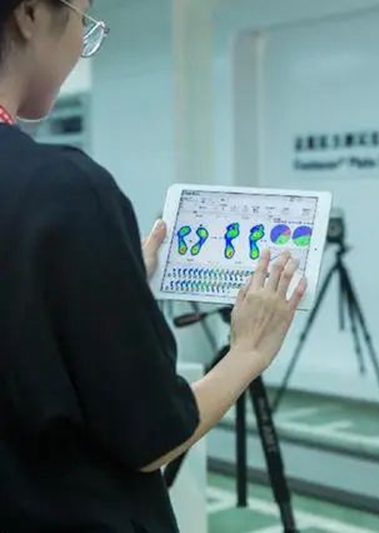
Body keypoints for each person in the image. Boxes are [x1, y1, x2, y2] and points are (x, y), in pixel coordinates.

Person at [0, 1, 306, 531]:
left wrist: (99, 285)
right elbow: (150, 435)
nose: (81, 44)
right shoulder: (65, 190)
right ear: (29, 13)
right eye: (83, 20)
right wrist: (248, 350)